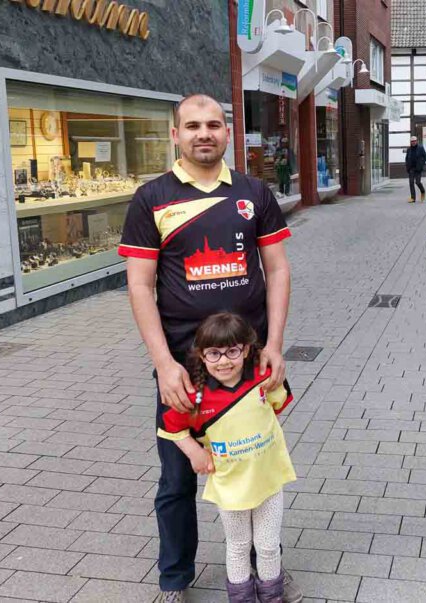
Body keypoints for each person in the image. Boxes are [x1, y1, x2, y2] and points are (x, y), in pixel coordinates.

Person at [118, 94, 301, 603]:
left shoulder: (253, 192)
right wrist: (162, 363)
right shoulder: (150, 198)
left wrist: (276, 345)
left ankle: (268, 571)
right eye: (193, 125)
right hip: (183, 368)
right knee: (177, 477)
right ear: (175, 134)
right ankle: (176, 578)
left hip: (249, 366)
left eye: (214, 125)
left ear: (228, 133)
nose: (205, 133)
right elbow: (139, 286)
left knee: (257, 469)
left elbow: (278, 270)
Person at [158, 312, 296, 603]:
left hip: (268, 480)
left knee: (269, 545)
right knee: (238, 545)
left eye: (233, 351)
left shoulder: (261, 379)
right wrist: (194, 451)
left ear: (247, 350)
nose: (224, 361)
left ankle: (273, 596)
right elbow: (171, 427)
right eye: (214, 353)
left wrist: (274, 376)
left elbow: (278, 404)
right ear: (202, 355)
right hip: (230, 488)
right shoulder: (195, 396)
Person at [405, 135, 426, 203]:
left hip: (418, 168)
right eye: (412, 141)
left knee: (417, 182)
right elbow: (406, 158)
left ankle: (422, 191)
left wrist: (421, 165)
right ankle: (413, 198)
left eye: (414, 141)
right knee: (411, 183)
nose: (413, 142)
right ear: (410, 142)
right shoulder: (409, 149)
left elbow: (425, 157)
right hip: (411, 168)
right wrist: (407, 167)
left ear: (417, 141)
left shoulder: (421, 148)